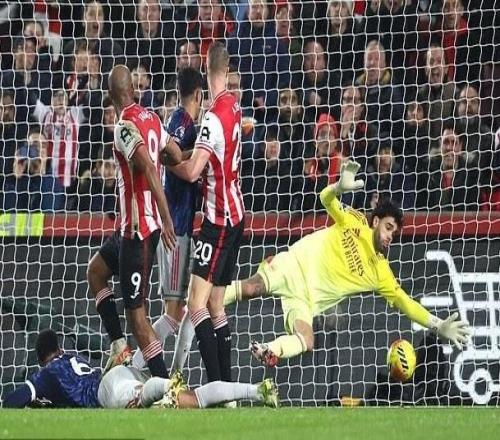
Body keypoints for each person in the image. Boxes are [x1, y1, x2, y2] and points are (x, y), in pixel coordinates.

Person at [224, 161, 471, 367]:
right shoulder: (355, 221)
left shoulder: (381, 273)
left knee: (306, 340)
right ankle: (207, 299)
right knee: (252, 288)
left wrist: (438, 325)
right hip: (293, 266)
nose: (390, 236)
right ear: (375, 222)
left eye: (394, 233)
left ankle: (268, 349)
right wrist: (337, 188)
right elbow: (325, 199)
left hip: (305, 299)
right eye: (388, 227)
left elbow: (406, 303)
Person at [86, 65, 182, 378]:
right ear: (132, 89)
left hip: (139, 232)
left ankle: (166, 386)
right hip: (127, 229)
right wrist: (162, 157)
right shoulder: (151, 117)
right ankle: (118, 345)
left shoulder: (124, 127)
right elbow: (175, 154)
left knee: (137, 318)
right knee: (96, 271)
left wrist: (166, 219)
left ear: (110, 94)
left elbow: (148, 168)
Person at [169, 42, 245, 383]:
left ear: (206, 69)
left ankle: (216, 385)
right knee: (216, 305)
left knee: (196, 303)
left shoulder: (212, 119)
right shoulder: (234, 107)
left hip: (218, 221)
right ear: (226, 72)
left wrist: (162, 159)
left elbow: (191, 173)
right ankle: (226, 389)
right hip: (237, 215)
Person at [2, 329, 278, 409]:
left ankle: (167, 386)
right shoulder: (71, 356)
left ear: (42, 358)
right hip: (117, 375)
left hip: (107, 394)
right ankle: (257, 391)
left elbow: (18, 397)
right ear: (60, 348)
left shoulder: (47, 372)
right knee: (193, 398)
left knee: (175, 398)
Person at [132, 67, 204, 373]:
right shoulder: (181, 121)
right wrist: (197, 154)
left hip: (182, 225)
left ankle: (175, 374)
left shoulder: (184, 121)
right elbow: (165, 156)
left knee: (188, 308)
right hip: (173, 226)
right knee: (174, 313)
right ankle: (135, 365)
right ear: (199, 94)